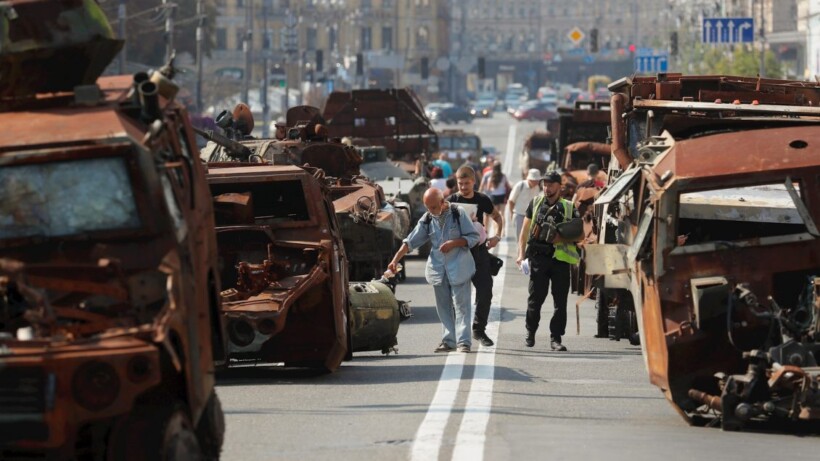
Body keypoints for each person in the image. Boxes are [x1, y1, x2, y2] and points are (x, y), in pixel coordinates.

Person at [388, 188, 479, 353]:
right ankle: (449, 341)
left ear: (443, 202)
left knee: (462, 306)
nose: (431, 211)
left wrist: (454, 243)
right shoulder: (428, 218)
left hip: (459, 267)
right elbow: (410, 242)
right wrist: (395, 260)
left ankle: (464, 342)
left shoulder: (458, 213)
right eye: (427, 207)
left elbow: (474, 237)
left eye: (434, 207)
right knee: (443, 307)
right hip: (438, 269)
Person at [516, 171, 582, 351]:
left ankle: (556, 338)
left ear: (559, 186)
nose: (547, 187)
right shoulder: (536, 203)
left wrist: (561, 238)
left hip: (560, 260)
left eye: (551, 184)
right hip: (538, 259)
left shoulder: (569, 207)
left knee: (560, 302)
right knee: (535, 299)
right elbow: (524, 231)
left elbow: (579, 233)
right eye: (544, 184)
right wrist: (521, 254)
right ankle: (530, 332)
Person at [448, 165, 504, 347]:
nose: (463, 187)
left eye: (466, 183)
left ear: (473, 182)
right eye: (460, 183)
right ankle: (459, 333)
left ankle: (479, 330)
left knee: (485, 291)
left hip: (479, 252)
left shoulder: (482, 199)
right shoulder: (451, 201)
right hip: (458, 252)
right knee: (458, 295)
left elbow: (497, 217)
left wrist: (497, 236)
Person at [508, 168, 542, 241]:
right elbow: (511, 201)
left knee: (529, 239)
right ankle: (520, 252)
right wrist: (511, 214)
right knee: (520, 239)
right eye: (535, 181)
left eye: (537, 181)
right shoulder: (520, 185)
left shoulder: (537, 188)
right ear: (530, 180)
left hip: (531, 217)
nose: (537, 182)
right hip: (519, 215)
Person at [479, 162, 511, 228]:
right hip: (502, 196)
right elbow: (507, 186)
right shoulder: (503, 176)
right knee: (502, 214)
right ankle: (502, 230)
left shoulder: (491, 177)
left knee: (495, 216)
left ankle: (496, 230)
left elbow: (488, 188)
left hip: (494, 197)